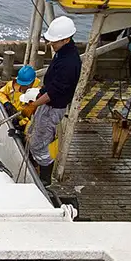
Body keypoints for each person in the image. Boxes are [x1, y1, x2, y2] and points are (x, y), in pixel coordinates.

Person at [22, 16, 81, 184]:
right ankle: (36, 163)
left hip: (53, 107)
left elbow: (55, 92)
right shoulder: (63, 53)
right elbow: (51, 84)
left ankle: (45, 178)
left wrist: (33, 105)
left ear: (66, 39)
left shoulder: (69, 63)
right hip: (47, 103)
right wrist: (41, 93)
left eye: (54, 41)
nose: (50, 44)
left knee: (38, 144)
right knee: (34, 132)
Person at [0, 64, 41, 137]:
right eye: (21, 84)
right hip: (10, 116)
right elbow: (0, 92)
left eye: (26, 85)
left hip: (25, 124)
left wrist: (20, 125)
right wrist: (7, 103)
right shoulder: (13, 85)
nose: (22, 87)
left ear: (32, 82)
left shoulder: (37, 95)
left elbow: (34, 117)